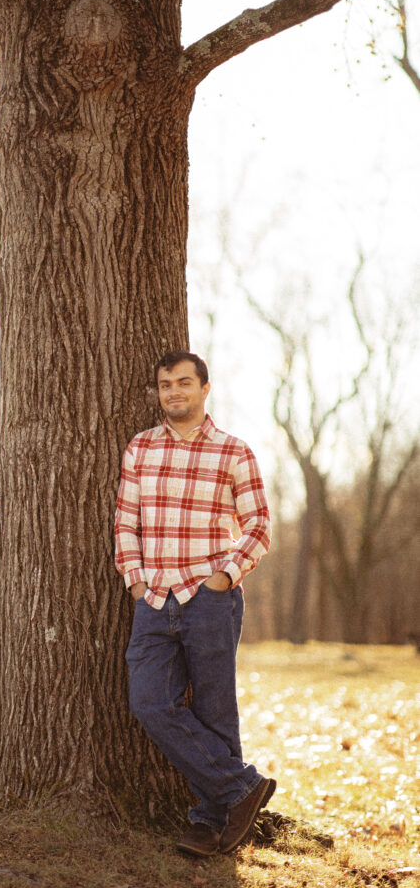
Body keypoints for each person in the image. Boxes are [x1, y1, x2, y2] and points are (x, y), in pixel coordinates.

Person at [114, 351, 275, 856]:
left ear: (205, 388)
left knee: (214, 711)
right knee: (149, 702)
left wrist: (225, 577)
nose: (174, 392)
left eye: (184, 383)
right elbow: (125, 524)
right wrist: (136, 583)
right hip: (154, 598)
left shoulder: (234, 452)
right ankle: (241, 788)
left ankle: (209, 822)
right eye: (165, 385)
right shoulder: (140, 448)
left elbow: (259, 526)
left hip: (210, 598)